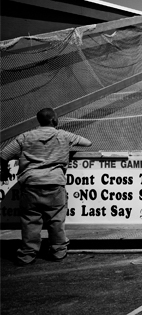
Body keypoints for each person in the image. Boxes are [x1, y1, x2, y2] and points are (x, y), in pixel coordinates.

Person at [0, 108, 92, 266]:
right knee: (56, 219)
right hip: (54, 183)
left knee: (30, 220)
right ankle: (58, 250)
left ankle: (28, 254)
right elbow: (87, 143)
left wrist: (5, 173)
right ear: (54, 120)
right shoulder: (63, 135)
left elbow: (4, 155)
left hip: (31, 184)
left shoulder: (26, 136)